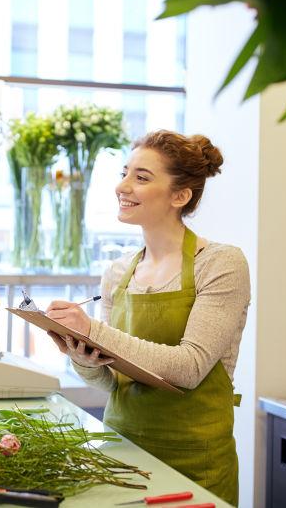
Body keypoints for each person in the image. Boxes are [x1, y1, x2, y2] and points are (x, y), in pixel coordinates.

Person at [46, 130, 249, 506]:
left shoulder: (221, 263)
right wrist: (83, 355)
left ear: (180, 196)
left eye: (141, 177)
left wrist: (93, 329)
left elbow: (189, 368)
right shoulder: (117, 273)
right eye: (125, 173)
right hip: (122, 451)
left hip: (196, 461)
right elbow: (114, 383)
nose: (122, 186)